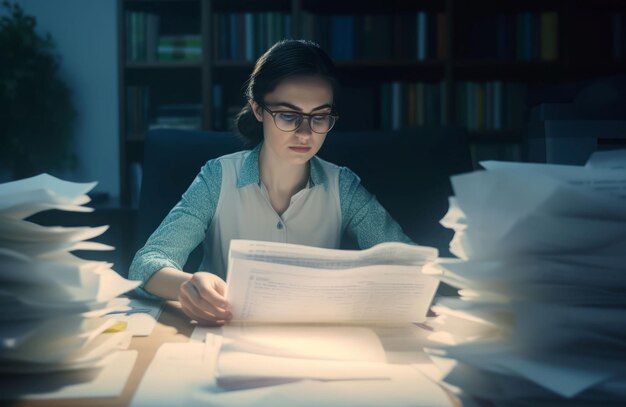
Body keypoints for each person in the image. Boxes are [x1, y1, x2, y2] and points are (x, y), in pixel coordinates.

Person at [128, 39, 413, 325]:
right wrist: (186, 285)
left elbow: (407, 264)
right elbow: (146, 263)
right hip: (223, 336)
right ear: (258, 109)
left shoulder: (343, 186)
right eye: (288, 116)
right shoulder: (218, 178)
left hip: (316, 341)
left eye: (320, 117)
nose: (305, 134)